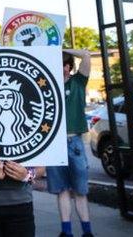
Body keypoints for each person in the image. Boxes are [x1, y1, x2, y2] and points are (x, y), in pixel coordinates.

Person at [46, 49, 94, 237]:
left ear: (68, 67)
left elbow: (87, 55)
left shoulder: (78, 82)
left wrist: (62, 48)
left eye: (62, 64)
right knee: (62, 189)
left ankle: (86, 231)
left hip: (74, 141)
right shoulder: (48, 86)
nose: (59, 68)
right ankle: (66, 231)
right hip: (54, 142)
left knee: (80, 190)